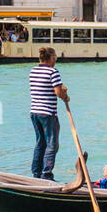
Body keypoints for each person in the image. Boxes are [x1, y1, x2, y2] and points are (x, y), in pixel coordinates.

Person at [28, 47, 68, 181]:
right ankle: (46, 175)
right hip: (48, 113)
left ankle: (36, 173)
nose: (55, 60)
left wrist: (61, 88)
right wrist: (65, 97)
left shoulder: (33, 71)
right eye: (55, 57)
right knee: (52, 144)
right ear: (51, 58)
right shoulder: (53, 72)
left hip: (34, 112)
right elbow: (58, 92)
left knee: (40, 143)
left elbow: (46, 87)